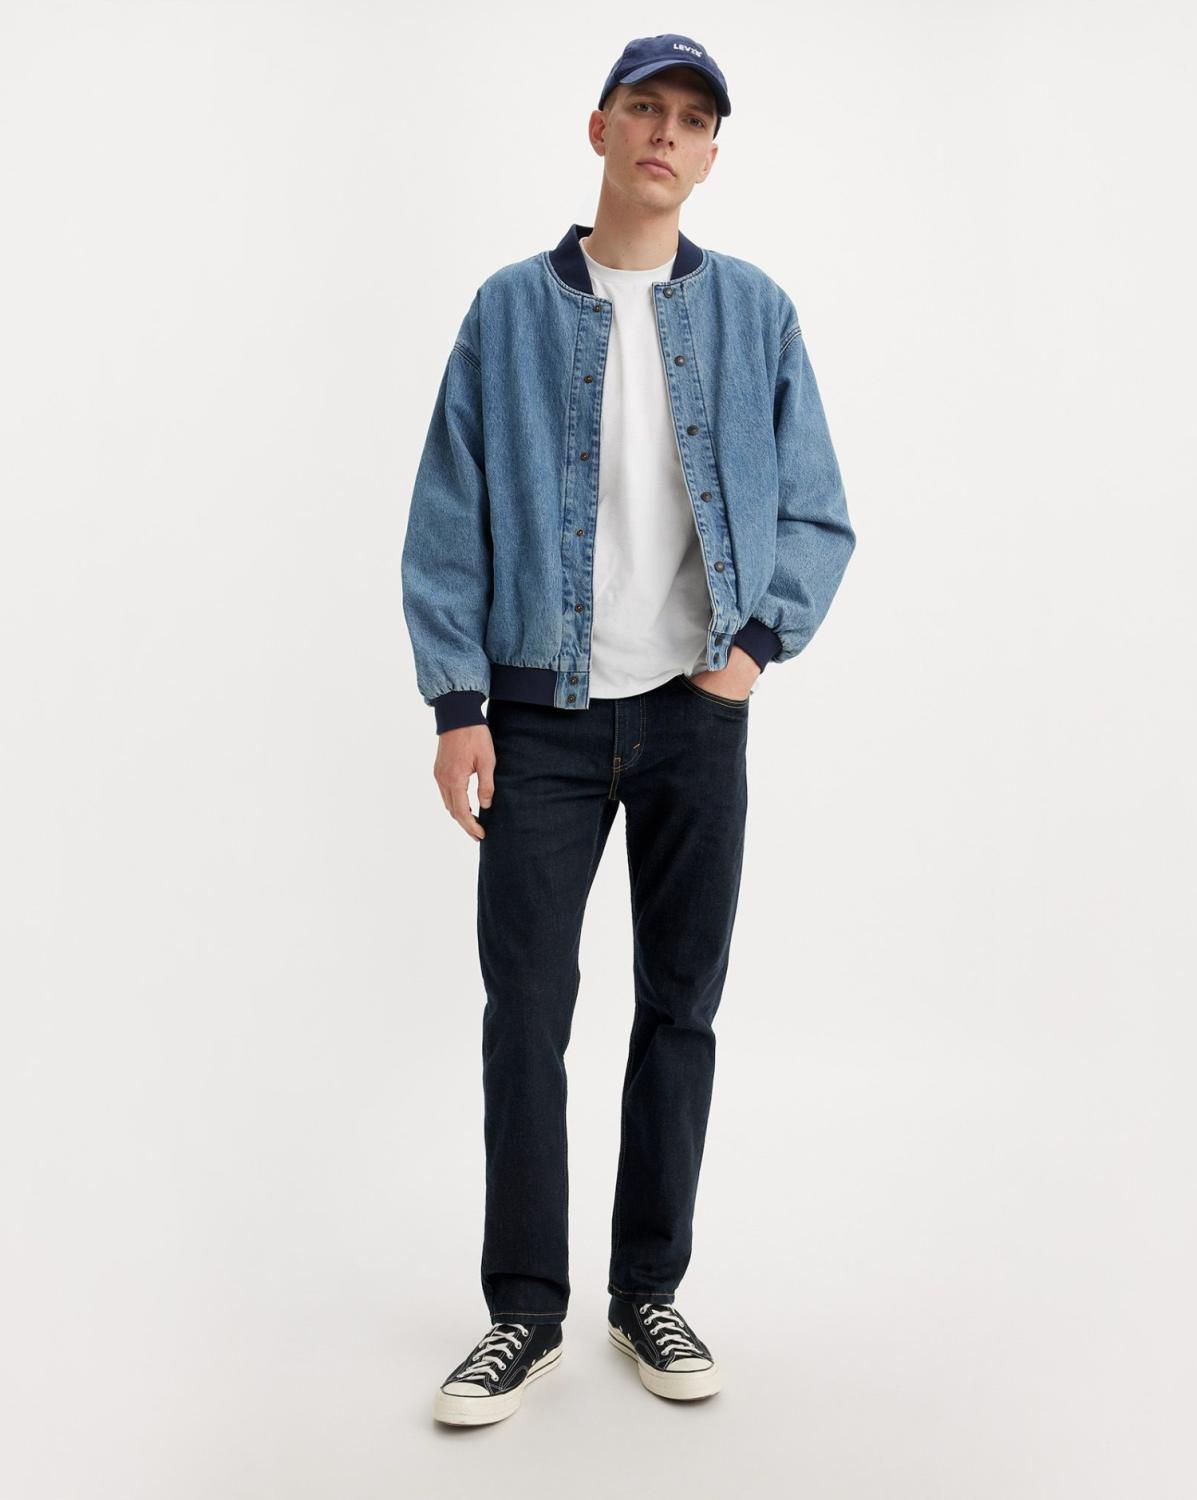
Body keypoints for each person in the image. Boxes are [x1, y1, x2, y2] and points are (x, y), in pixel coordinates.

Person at [402, 33, 856, 1426]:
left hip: (692, 723)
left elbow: (818, 511)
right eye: (645, 109)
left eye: (693, 119)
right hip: (537, 722)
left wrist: (751, 653)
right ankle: (523, 1312)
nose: (667, 133)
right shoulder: (506, 312)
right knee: (526, 1016)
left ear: (712, 154)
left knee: (680, 1008)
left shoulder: (757, 312)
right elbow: (446, 512)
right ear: (598, 128)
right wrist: (458, 705)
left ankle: (646, 1290)